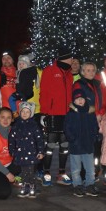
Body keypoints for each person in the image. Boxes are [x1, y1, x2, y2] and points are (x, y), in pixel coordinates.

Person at [39, 47, 74, 186]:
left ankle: (61, 173)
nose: (72, 60)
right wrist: (44, 113)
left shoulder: (69, 73)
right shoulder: (50, 71)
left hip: (67, 114)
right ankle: (46, 173)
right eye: (70, 57)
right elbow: (44, 92)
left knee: (65, 146)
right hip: (53, 114)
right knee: (50, 145)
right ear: (65, 57)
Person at [64, 88, 100, 197]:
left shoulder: (90, 113)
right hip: (76, 146)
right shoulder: (71, 114)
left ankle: (90, 184)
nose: (80, 100)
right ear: (74, 101)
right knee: (76, 168)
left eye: (82, 98)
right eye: (77, 99)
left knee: (90, 167)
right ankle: (77, 185)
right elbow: (67, 128)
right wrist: (72, 139)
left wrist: (94, 137)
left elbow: (94, 126)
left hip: (88, 145)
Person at [72, 62, 104, 176]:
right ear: (83, 72)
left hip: (97, 119)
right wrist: (94, 113)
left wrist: (100, 113)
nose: (91, 72)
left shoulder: (97, 84)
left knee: (96, 146)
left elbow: (100, 102)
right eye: (88, 70)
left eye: (93, 70)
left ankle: (94, 170)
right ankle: (82, 173)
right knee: (85, 147)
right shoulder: (79, 84)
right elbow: (78, 103)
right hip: (84, 119)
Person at [9, 101, 45, 198]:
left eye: (27, 112)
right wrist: (12, 150)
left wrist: (41, 151)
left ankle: (32, 185)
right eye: (23, 111)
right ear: (20, 112)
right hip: (21, 153)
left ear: (31, 113)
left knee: (31, 171)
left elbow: (39, 139)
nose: (24, 114)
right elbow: (12, 138)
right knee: (24, 171)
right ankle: (25, 186)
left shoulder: (34, 126)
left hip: (32, 153)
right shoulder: (16, 125)